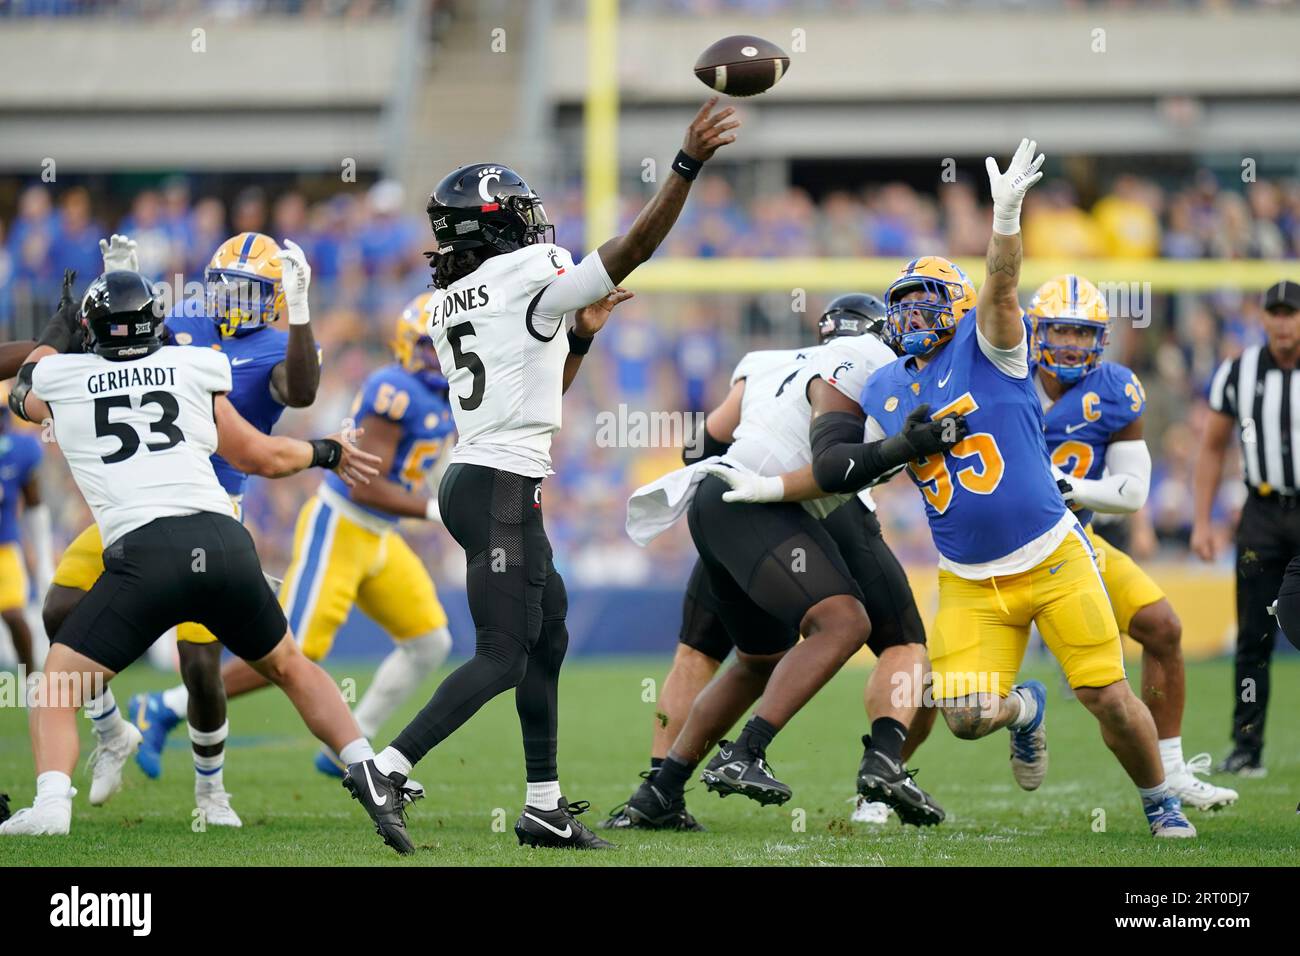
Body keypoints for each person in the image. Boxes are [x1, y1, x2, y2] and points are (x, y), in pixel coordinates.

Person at [722, 141, 1195, 838]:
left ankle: (1162, 801)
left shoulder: (993, 343)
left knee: (1107, 696)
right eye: (903, 304)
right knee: (967, 718)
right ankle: (1025, 711)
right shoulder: (884, 384)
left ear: (958, 304)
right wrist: (771, 489)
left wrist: (1005, 219)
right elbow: (850, 468)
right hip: (971, 580)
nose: (913, 314)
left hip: (1053, 556)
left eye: (926, 300)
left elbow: (1003, 286)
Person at [342, 98, 739, 855]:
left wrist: (580, 338)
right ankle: (386, 767)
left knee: (548, 634)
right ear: (497, 226)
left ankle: (544, 805)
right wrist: (685, 163)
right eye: (519, 213)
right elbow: (632, 250)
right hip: (495, 485)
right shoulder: (534, 269)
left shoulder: (445, 300)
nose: (535, 224)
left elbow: (537, 388)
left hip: (488, 479)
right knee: (502, 653)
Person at [0, 270, 381, 837]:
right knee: (289, 665)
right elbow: (260, 456)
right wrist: (325, 451)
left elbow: (22, 389)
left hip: (142, 553)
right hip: (223, 539)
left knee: (56, 686)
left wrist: (58, 332)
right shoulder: (193, 365)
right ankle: (370, 769)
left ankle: (54, 805)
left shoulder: (62, 376)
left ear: (89, 333)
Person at [619, 292, 944, 829]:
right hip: (791, 506)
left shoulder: (772, 362)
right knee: (871, 629)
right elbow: (834, 467)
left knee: (742, 658)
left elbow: (700, 445)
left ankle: (659, 791)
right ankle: (767, 754)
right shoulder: (868, 361)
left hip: (732, 495)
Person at [47, 231, 321, 827]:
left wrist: (301, 315)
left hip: (211, 504)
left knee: (198, 666)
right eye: (222, 283)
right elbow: (118, 350)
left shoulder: (277, 345)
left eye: (247, 289)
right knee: (59, 608)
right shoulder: (188, 320)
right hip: (143, 500)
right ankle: (111, 729)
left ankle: (211, 793)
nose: (229, 297)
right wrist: (124, 282)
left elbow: (300, 392)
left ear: (273, 297)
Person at [1028, 273, 1236, 809]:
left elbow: (1132, 490)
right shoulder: (1004, 378)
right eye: (1062, 330)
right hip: (1001, 553)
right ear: (1036, 330)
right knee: (958, 688)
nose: (1072, 343)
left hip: (1076, 542)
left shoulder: (1115, 389)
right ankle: (882, 782)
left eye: (1083, 332)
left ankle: (1170, 771)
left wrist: (1071, 487)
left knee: (1162, 628)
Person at [1192, 278, 1300, 776]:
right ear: (1262, 319)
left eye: (1291, 313)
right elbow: (1213, 447)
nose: (1283, 322)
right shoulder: (1238, 372)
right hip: (1260, 513)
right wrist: (1203, 520)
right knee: (1253, 635)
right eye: (1274, 313)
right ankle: (1247, 746)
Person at [0, 400, 53, 672]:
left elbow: (34, 503)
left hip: (4, 547)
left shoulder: (18, 450)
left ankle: (30, 678)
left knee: (13, 614)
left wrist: (43, 560)